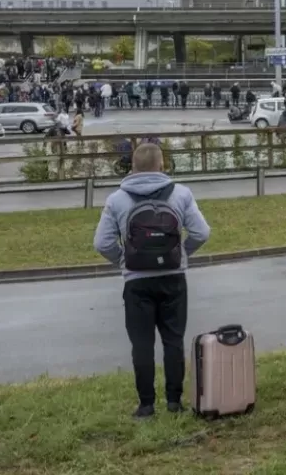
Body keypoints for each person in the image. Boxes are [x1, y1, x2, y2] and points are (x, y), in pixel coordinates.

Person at [93, 143, 211, 419]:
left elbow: (102, 243)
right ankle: (173, 401)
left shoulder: (116, 200)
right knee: (173, 340)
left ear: (132, 167)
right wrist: (182, 253)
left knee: (142, 344)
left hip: (136, 282)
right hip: (173, 278)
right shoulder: (181, 194)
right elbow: (202, 232)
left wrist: (123, 261)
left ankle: (146, 405)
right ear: (162, 165)